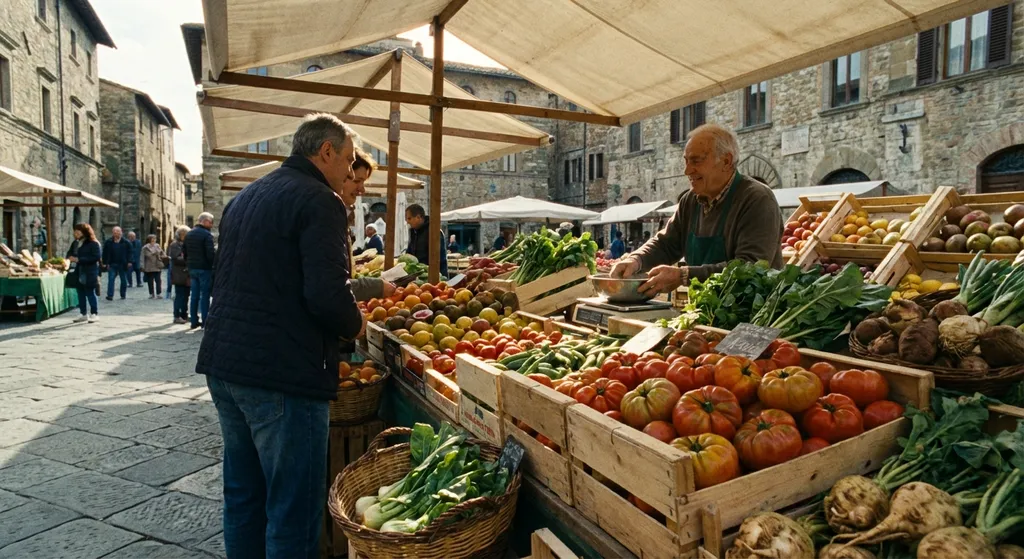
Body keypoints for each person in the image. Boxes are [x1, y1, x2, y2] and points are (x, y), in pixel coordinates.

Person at [196, 113, 364, 559]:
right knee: (292, 509)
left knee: (244, 495)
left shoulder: (248, 196)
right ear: (325, 152)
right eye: (348, 161)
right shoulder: (320, 200)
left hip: (226, 363)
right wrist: (357, 324)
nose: (351, 172)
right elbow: (327, 295)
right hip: (282, 374)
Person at [611, 123, 783, 296]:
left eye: (696, 161)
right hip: (706, 309)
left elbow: (750, 267)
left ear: (726, 161)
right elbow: (666, 244)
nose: (687, 170)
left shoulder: (757, 199)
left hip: (752, 314)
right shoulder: (690, 201)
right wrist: (636, 260)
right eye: (686, 161)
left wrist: (684, 275)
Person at [335, 148, 394, 302]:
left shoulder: (340, 216)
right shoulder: (324, 216)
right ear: (340, 176)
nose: (362, 189)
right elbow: (330, 284)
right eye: (356, 181)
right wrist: (376, 287)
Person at [185, 212, 216, 329]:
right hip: (204, 268)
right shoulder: (207, 235)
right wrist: (213, 265)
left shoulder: (189, 234)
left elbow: (185, 252)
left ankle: (193, 321)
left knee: (194, 295)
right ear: (206, 221)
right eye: (211, 222)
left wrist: (189, 264)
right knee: (205, 295)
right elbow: (210, 254)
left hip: (192, 268)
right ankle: (205, 321)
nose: (212, 225)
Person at [405, 204, 448, 276]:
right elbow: (410, 252)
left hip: (435, 276)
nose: (407, 222)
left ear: (418, 217)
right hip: (418, 275)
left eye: (409, 218)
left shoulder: (433, 231)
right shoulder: (413, 232)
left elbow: (438, 258)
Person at [69, 223, 100, 323]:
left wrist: (79, 259)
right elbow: (70, 253)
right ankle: (83, 313)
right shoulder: (76, 243)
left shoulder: (93, 243)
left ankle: (94, 313)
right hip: (78, 270)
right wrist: (70, 258)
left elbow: (96, 257)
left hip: (89, 271)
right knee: (80, 293)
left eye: (78, 231)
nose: (76, 233)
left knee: (90, 292)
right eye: (75, 231)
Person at [102, 226, 132, 301]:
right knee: (111, 279)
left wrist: (130, 261)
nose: (116, 233)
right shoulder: (108, 242)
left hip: (123, 264)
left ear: (121, 232)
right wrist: (105, 263)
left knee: (123, 280)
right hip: (112, 264)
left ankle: (123, 294)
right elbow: (105, 253)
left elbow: (130, 253)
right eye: (115, 232)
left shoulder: (126, 242)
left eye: (118, 232)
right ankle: (110, 295)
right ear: (113, 233)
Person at [168, 226, 190, 324]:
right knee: (179, 295)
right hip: (179, 274)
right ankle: (177, 315)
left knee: (186, 295)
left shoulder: (186, 244)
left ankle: (184, 314)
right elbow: (176, 258)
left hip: (186, 275)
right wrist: (189, 260)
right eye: (184, 234)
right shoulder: (174, 245)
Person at [141, 234, 168, 299]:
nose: (153, 240)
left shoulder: (157, 246)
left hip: (157, 265)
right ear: (149, 239)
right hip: (149, 266)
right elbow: (142, 257)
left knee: (158, 280)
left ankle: (159, 293)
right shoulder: (145, 247)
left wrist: (164, 256)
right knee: (150, 281)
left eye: (154, 238)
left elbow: (162, 253)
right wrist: (142, 266)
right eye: (152, 238)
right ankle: (151, 293)